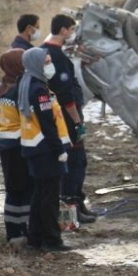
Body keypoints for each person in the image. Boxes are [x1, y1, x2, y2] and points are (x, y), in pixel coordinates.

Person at [41, 14, 96, 224]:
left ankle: (75, 202)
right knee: (76, 161)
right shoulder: (57, 57)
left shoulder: (42, 51)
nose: (73, 34)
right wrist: (77, 122)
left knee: (69, 160)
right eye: (71, 29)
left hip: (54, 116)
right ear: (63, 30)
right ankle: (72, 206)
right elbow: (66, 96)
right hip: (66, 117)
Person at [18, 47, 72, 252]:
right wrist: (59, 149)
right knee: (49, 197)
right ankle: (52, 239)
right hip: (45, 149)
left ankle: (35, 237)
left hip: (35, 148)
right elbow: (47, 122)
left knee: (40, 195)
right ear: (37, 64)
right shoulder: (39, 90)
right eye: (46, 62)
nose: (50, 66)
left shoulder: (27, 83)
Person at [0, 48, 34, 242]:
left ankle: (13, 229)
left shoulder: (0, 87)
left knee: (13, 187)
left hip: (4, 141)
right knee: (23, 188)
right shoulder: (19, 88)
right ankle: (20, 230)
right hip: (18, 143)